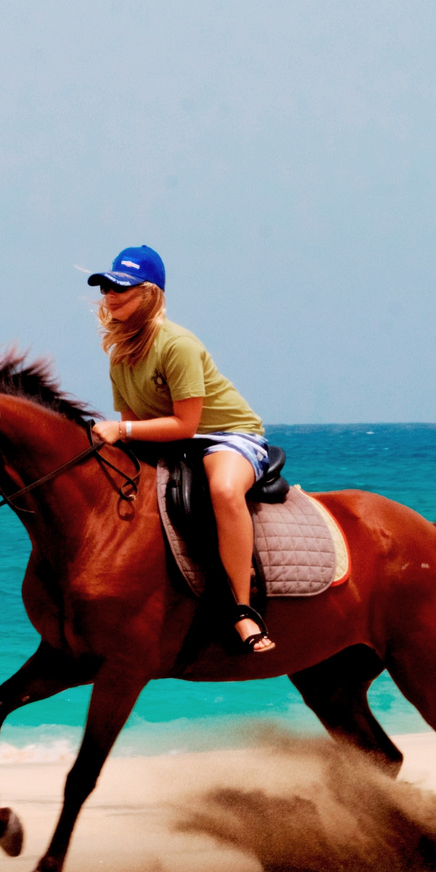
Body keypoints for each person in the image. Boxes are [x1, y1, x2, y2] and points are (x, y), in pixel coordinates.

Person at [85, 245, 277, 653]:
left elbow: (185, 423)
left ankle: (243, 610)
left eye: (121, 287)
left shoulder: (178, 345)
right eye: (107, 287)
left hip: (227, 435)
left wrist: (120, 428)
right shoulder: (119, 355)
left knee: (224, 491)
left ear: (149, 294)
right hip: (176, 443)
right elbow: (136, 428)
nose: (110, 295)